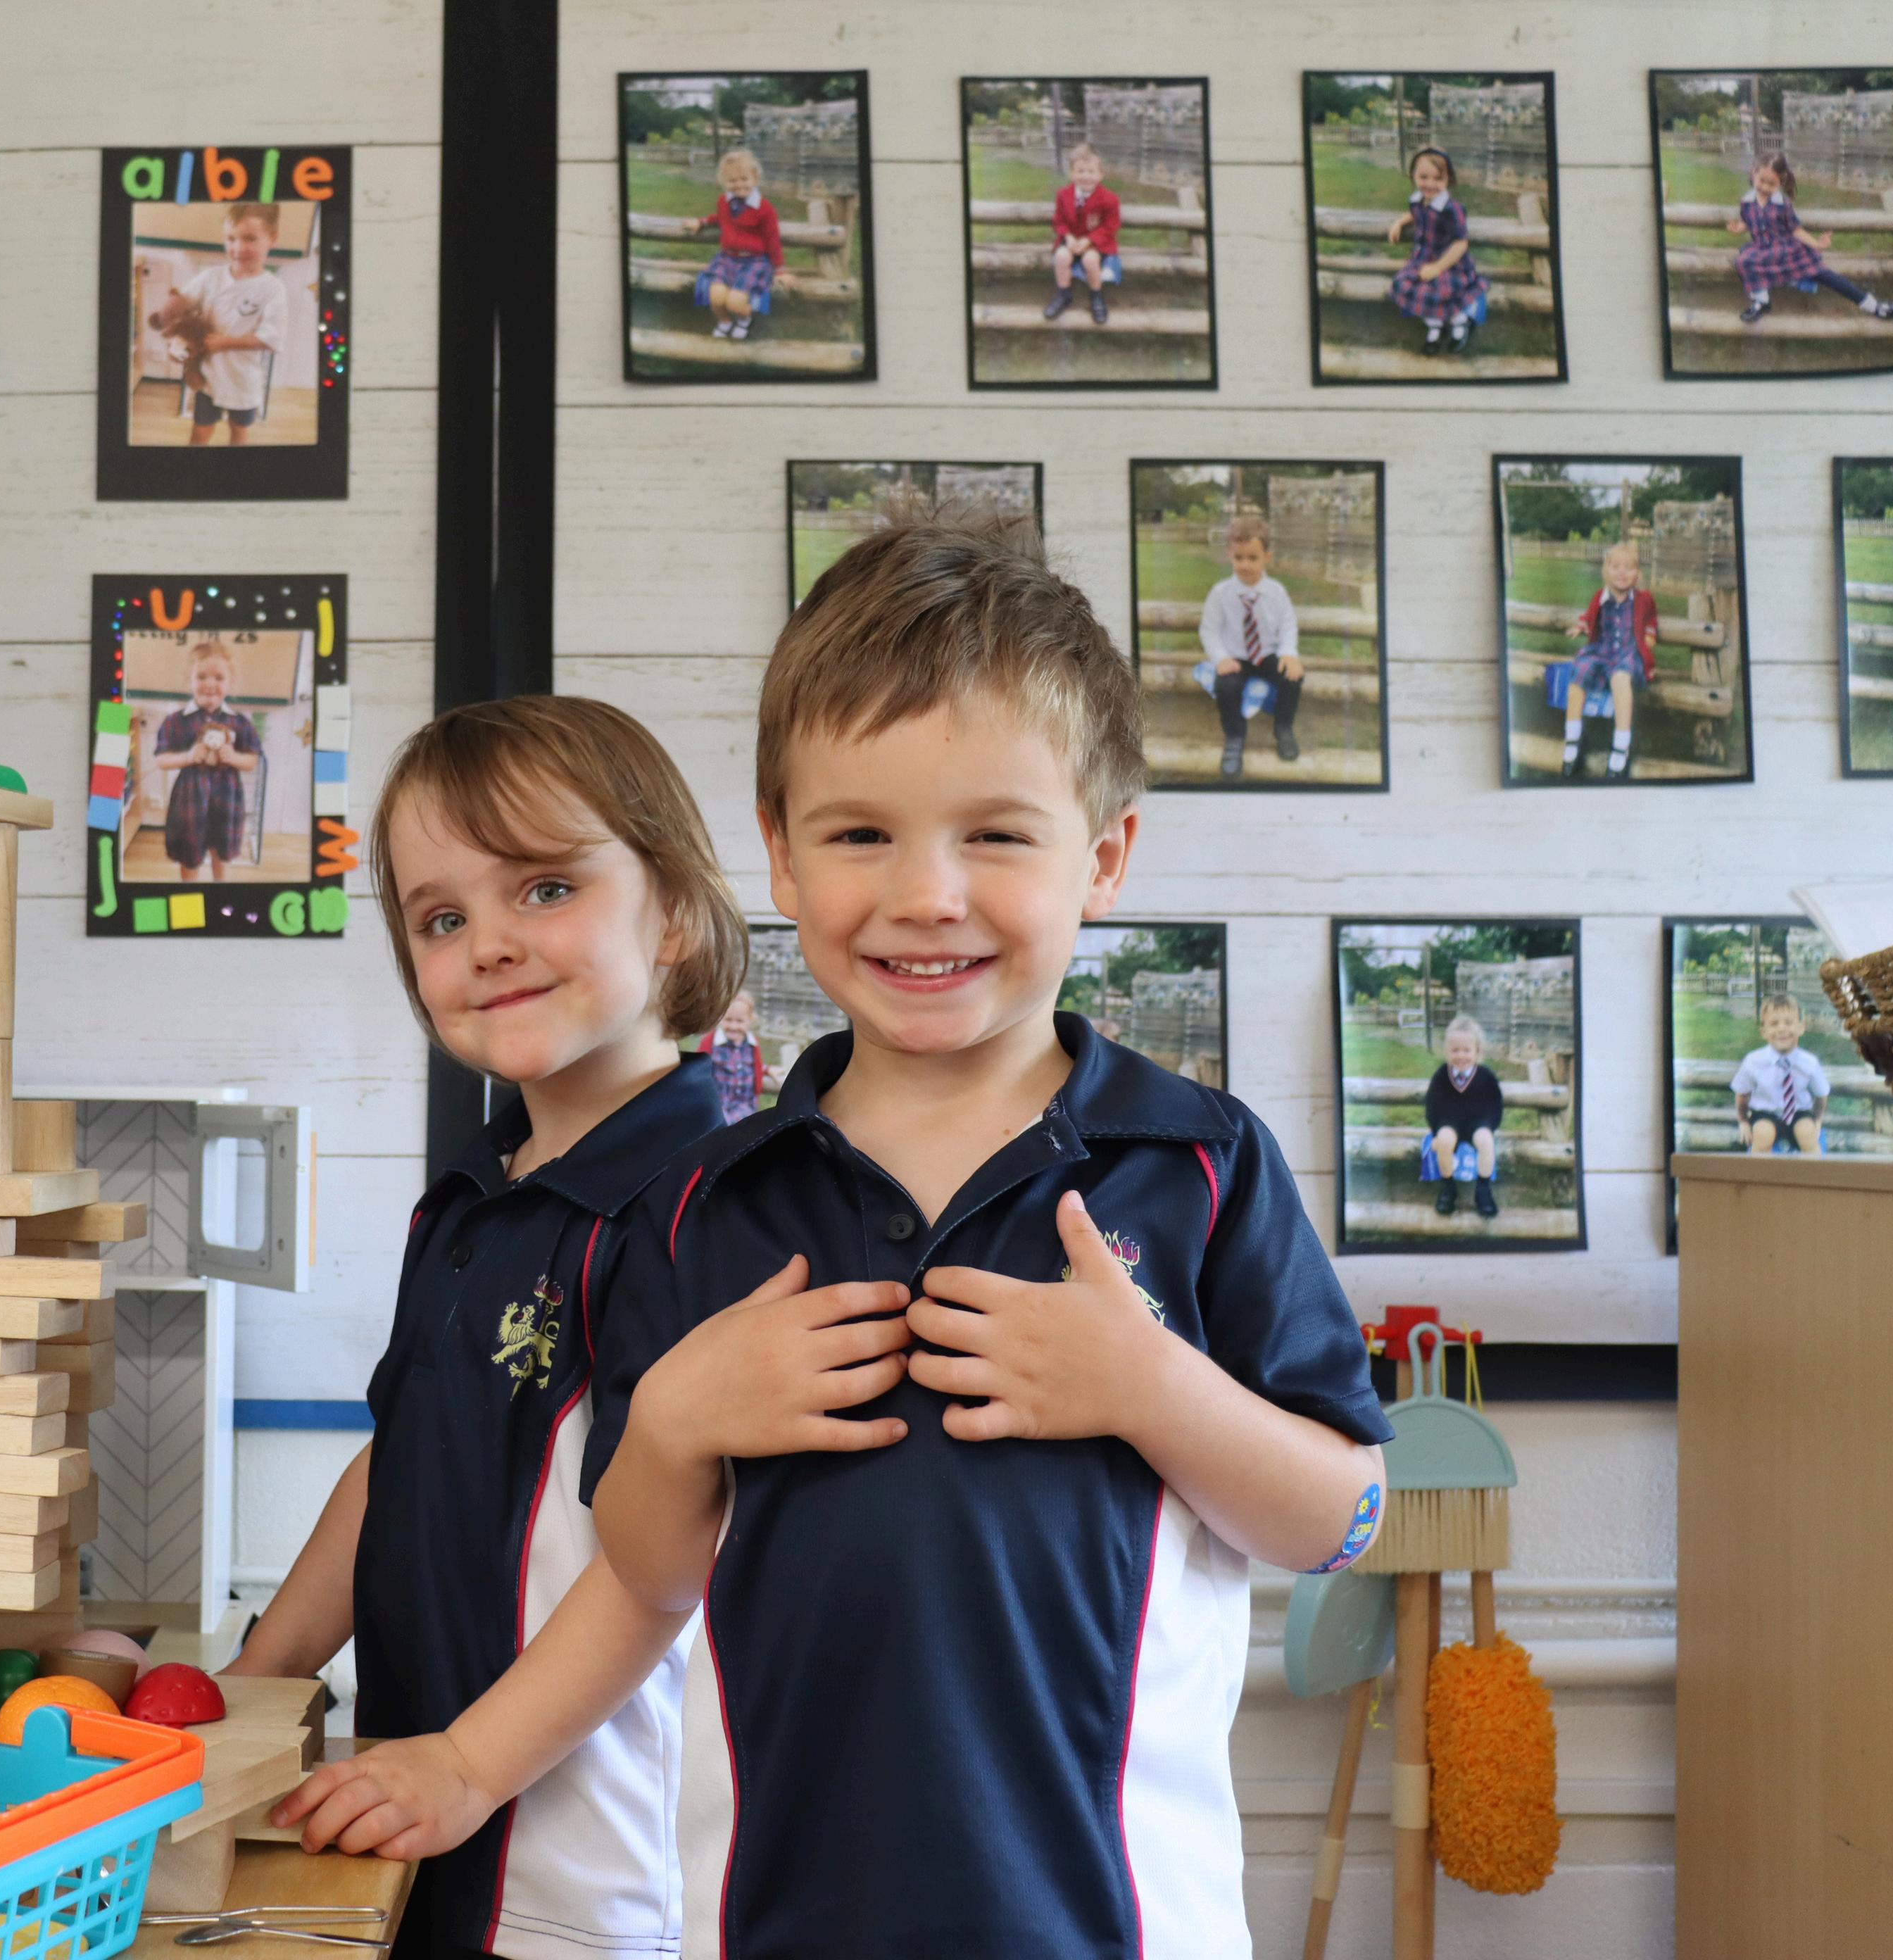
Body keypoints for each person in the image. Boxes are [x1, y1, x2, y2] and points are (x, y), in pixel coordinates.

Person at [582, 512, 1392, 1956]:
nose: (925, 896)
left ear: (1105, 855)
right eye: (860, 834)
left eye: (996, 835)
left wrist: (1150, 1388)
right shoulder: (704, 1205)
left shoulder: (1197, 1167)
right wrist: (676, 1420)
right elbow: (646, 1567)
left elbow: (1344, 1517)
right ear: (780, 855)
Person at [238, 697, 749, 1960]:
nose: (489, 945)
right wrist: (260, 1679)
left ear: (674, 914)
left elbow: (666, 1557)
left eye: (545, 888)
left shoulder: (704, 1209)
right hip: (418, 1812)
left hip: (580, 1886)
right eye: (442, 918)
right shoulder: (472, 1193)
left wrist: (470, 1762)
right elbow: (397, 1462)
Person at [1727, 151, 1893, 329]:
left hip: (1787, 251)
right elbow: (1747, 223)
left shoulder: (1783, 204)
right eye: (1762, 181)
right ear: (1754, 174)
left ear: (1781, 182)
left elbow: (1796, 230)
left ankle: (1876, 307)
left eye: (1772, 184)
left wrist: (1817, 244)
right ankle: (1761, 302)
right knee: (1743, 261)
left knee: (1826, 276)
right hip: (1762, 250)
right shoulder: (1747, 202)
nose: (1765, 187)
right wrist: (1738, 229)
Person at [176, 201, 293, 444]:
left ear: (272, 239)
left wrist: (225, 343)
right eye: (231, 239)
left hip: (243, 383)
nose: (238, 248)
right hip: (208, 378)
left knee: (238, 431)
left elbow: (272, 339)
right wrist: (178, 340)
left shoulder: (273, 289)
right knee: (200, 431)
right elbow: (181, 305)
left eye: (250, 239)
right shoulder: (211, 278)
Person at [1196, 513, 1302, 777]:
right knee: (1227, 685)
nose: (1245, 564)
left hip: (1266, 655)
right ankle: (1234, 738)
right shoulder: (1221, 593)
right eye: (1239, 557)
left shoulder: (1276, 592)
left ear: (1267, 557)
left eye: (1253, 558)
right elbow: (1209, 630)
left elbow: (1288, 625)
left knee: (1292, 677)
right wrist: (1221, 658)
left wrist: (1288, 654)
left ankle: (1284, 729)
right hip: (1236, 658)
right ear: (1230, 556)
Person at [150, 640, 263, 882]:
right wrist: (188, 756)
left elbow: (252, 761)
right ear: (189, 680)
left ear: (230, 682)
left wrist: (234, 757)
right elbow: (161, 760)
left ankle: (220, 893)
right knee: (189, 856)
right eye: (201, 677)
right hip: (190, 799)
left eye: (219, 678)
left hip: (227, 798)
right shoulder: (176, 721)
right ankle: (189, 892)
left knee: (222, 854)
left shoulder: (240, 723)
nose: (210, 684)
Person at [1560, 541, 1656, 779]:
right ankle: (1573, 740)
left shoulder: (1643, 599)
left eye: (1629, 568)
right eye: (1616, 567)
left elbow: (1651, 620)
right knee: (1578, 673)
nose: (1622, 572)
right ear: (1606, 571)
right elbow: (1590, 616)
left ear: (1637, 574)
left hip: (1628, 653)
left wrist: (1649, 638)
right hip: (1601, 651)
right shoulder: (1600, 597)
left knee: (1620, 678)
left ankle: (1621, 745)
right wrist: (1581, 627)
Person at [1385, 146, 1486, 356]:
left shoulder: (1452, 209)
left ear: (1448, 179)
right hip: (1422, 260)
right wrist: (1399, 222)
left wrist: (1438, 268)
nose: (1430, 184)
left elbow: (1461, 243)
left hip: (1450, 264)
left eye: (1438, 178)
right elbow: (1416, 214)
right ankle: (1435, 327)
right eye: (1424, 177)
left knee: (1441, 292)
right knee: (1403, 285)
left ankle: (1460, 323)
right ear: (1413, 176)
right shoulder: (1418, 201)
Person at [691, 146, 783, 341]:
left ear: (755, 178)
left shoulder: (764, 209)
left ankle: (744, 319)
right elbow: (721, 218)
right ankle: (725, 322)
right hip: (727, 258)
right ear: (724, 182)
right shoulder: (724, 202)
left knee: (735, 301)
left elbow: (772, 239)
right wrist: (702, 222)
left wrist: (780, 270)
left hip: (754, 261)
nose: (739, 185)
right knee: (716, 297)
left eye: (744, 179)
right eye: (732, 181)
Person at [1421, 1014, 1504, 1218]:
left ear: (1477, 1052)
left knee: (1486, 1140)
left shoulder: (1486, 1076)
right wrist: (1436, 1132)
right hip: (1449, 1122)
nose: (1461, 1056)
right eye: (1455, 1050)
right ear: (1447, 1052)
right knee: (1444, 1140)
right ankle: (1448, 1188)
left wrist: (1489, 1127)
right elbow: (1432, 1105)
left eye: (1467, 1050)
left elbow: (1496, 1105)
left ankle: (1483, 1191)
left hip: (1479, 1122)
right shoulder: (1442, 1076)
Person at [1734, 992, 1831, 1155]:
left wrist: (1817, 1120)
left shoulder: (1809, 1063)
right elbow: (1742, 1095)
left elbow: (1821, 1095)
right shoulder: (1753, 1061)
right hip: (1765, 1114)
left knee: (1808, 1134)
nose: (1782, 1028)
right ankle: (1759, 1171)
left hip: (1799, 1113)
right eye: (1774, 1024)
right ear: (1763, 1031)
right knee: (1763, 1134)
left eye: (1789, 1022)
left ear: (1801, 1028)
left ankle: (1813, 1171)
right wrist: (1743, 1122)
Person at [1043, 142, 1120, 325]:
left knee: (1090, 260)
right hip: (1071, 240)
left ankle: (1096, 296)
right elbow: (1059, 221)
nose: (1086, 176)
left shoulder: (1109, 199)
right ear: (1072, 173)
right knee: (1061, 256)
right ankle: (1064, 294)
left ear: (1100, 174)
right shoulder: (1064, 195)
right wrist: (1068, 237)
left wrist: (1089, 241)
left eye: (1091, 171)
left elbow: (1111, 226)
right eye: (1080, 171)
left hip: (1096, 243)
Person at [707, 988, 763, 1122]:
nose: (733, 1026)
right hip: (718, 1103)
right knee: (719, 1124)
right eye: (728, 1020)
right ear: (720, 1018)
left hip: (745, 1104)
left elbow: (753, 1065)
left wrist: (767, 1069)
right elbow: (700, 1069)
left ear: (750, 1020)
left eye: (740, 1021)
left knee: (740, 1126)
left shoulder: (752, 1044)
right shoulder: (712, 1042)